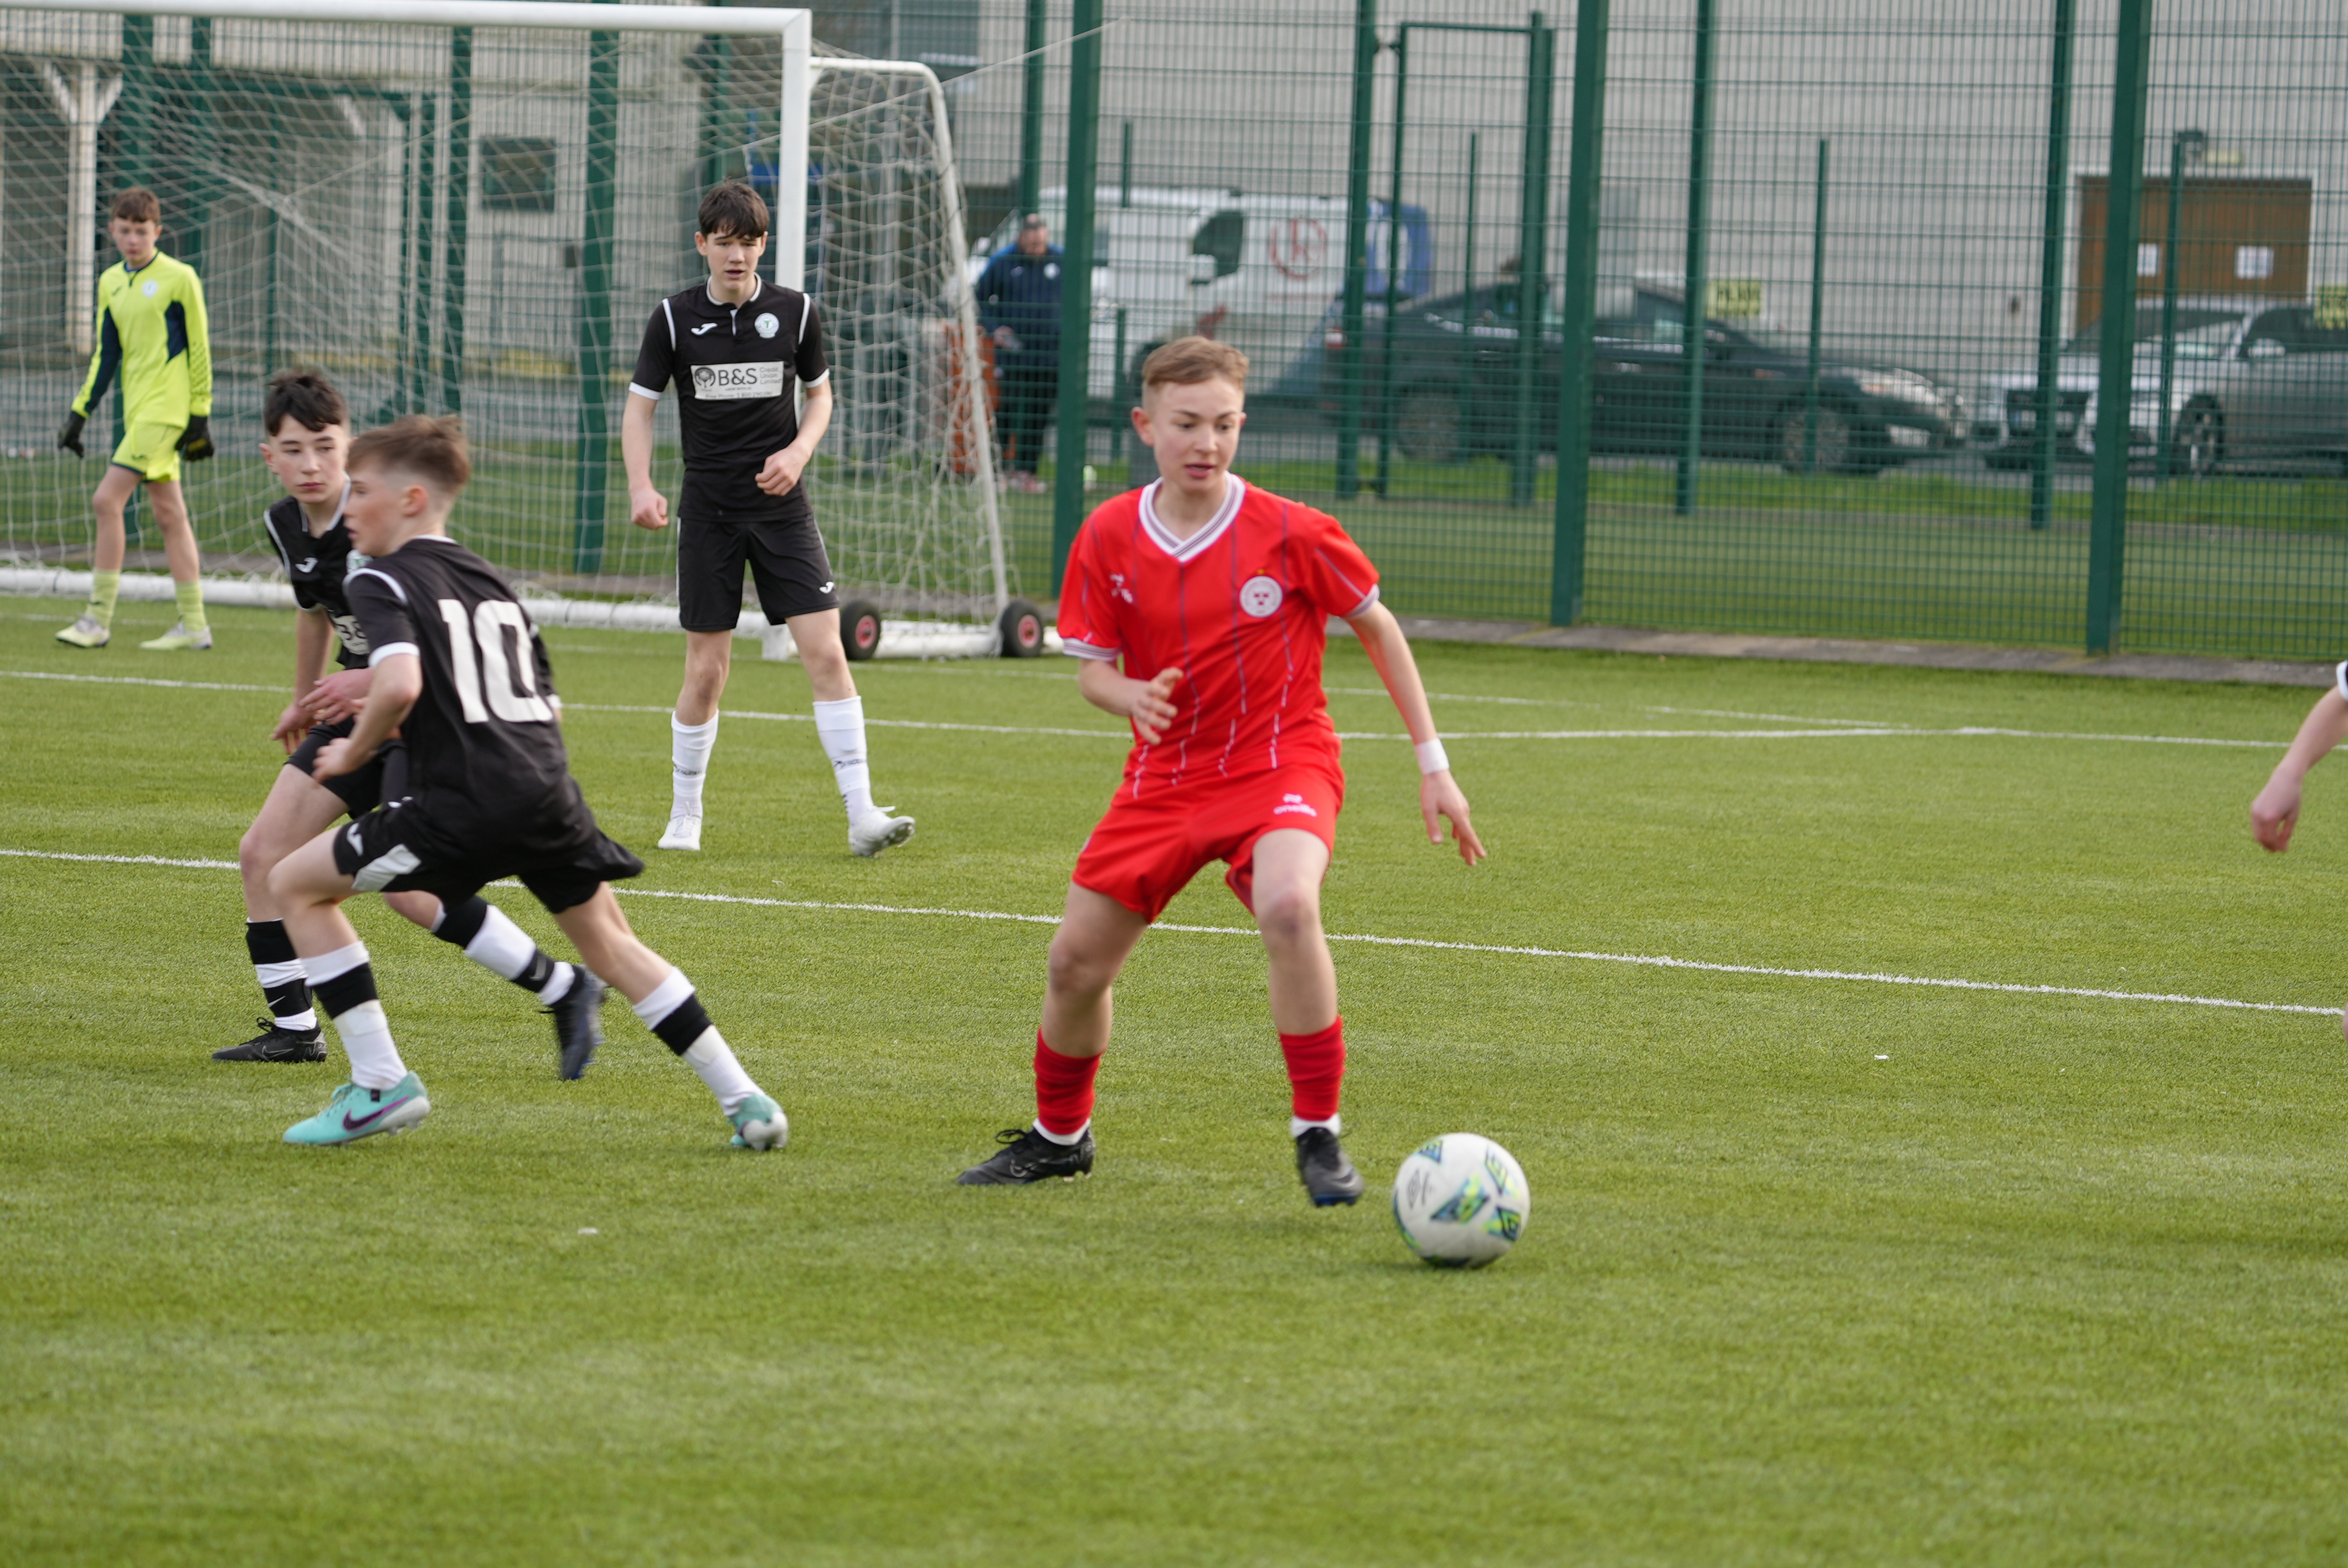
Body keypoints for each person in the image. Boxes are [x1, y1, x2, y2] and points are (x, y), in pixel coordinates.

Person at [956, 337, 1485, 1203]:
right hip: (1166, 777)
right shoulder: (1110, 534)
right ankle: (1059, 1138)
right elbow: (1092, 673)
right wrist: (1130, 696)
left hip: (1282, 759)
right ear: (1145, 425)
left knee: (1289, 904)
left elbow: (1378, 626)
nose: (1207, 443)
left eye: (1225, 424)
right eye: (1187, 424)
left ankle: (1318, 1136)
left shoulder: (1292, 531)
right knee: (1074, 966)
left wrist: (1436, 766)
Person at [266, 416, 789, 1149]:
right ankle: (749, 1102)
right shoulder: (491, 582)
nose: (349, 506)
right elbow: (545, 704)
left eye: (364, 491)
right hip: (546, 793)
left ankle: (380, 1085)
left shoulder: (376, 578)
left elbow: (402, 682)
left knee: (293, 883)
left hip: (457, 803)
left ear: (412, 500)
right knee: (614, 948)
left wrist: (353, 752)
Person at [219, 370, 606, 1074]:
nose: (312, 465)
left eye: (325, 447)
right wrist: (305, 697)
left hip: (418, 718)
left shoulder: (378, 521)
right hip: (351, 713)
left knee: (408, 888)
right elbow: (313, 612)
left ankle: (562, 986)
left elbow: (438, 642)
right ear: (268, 455)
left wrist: (367, 681)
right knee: (262, 854)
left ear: (350, 447)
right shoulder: (284, 523)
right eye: (294, 449)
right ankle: (297, 1028)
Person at [622, 180, 914, 860]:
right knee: (707, 673)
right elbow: (640, 408)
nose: (738, 255)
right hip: (709, 515)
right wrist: (641, 485)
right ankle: (685, 812)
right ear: (702, 244)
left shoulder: (796, 311)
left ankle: (862, 815)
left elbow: (821, 397)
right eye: (725, 243)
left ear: (763, 245)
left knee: (827, 653)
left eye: (750, 243)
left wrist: (798, 451)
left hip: (784, 514)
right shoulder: (672, 319)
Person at [55, 186, 217, 652]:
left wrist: (200, 413)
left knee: (106, 500)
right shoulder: (110, 281)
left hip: (168, 409)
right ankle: (195, 625)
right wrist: (80, 412)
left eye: (142, 231)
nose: (133, 240)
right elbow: (107, 354)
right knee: (170, 514)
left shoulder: (180, 278)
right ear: (112, 230)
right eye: (125, 231)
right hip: (139, 411)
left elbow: (199, 346)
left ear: (157, 232)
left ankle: (97, 619)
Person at [975, 214, 1063, 492]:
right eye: (1032, 244)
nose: (1037, 249)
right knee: (1009, 409)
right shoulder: (1002, 261)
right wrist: (995, 329)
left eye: (1041, 244)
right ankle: (998, 470)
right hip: (1014, 353)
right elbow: (980, 299)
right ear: (1021, 238)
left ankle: (1027, 472)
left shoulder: (1061, 260)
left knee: (1038, 413)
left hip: (1049, 354)